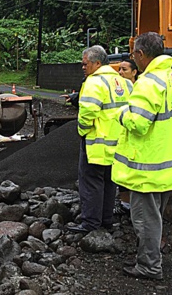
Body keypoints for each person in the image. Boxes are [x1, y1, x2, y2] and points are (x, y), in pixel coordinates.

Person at [112, 32, 172, 280]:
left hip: (149, 167)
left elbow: (138, 124)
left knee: (145, 220)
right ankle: (150, 257)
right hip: (170, 163)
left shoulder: (148, 83)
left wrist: (121, 114)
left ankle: (149, 266)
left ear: (140, 54)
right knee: (155, 216)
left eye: (134, 55)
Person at [67, 45, 132, 234]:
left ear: (97, 63)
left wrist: (82, 131)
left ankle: (90, 223)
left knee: (91, 182)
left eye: (85, 63)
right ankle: (106, 220)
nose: (83, 67)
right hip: (118, 143)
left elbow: (87, 113)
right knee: (110, 182)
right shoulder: (124, 82)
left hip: (97, 143)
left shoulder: (93, 83)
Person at [113, 59, 139, 216]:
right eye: (119, 70)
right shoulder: (119, 88)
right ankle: (125, 203)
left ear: (134, 72)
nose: (120, 73)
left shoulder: (140, 89)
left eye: (124, 70)